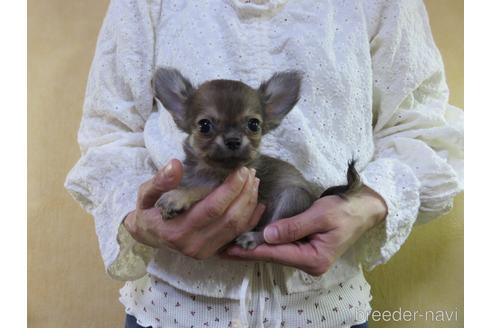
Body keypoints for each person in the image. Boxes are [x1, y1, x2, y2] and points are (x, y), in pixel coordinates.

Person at [65, 0, 464, 327]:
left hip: (323, 310)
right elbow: (109, 132)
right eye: (207, 126)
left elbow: (421, 124)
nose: (232, 139)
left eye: (251, 126)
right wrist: (137, 218)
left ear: (270, 116)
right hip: (173, 308)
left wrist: (367, 203)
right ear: (180, 114)